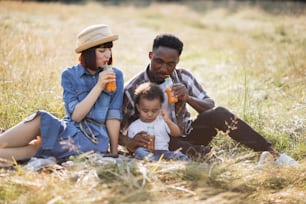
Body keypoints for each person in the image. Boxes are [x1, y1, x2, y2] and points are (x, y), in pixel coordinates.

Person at [119, 33, 283, 161]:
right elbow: (117, 129)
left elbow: (209, 105)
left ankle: (272, 153)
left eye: (170, 64)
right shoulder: (133, 89)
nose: (164, 68)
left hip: (189, 132)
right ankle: (203, 155)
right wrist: (129, 143)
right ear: (150, 56)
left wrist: (188, 98)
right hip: (160, 140)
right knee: (171, 142)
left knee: (219, 112)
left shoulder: (183, 77)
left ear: (177, 61)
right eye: (159, 61)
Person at [0, 24, 123, 165]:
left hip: (91, 138)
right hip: (68, 128)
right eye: (102, 50)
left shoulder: (116, 75)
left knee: (36, 147)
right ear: (88, 52)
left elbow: (113, 116)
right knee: (41, 119)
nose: (108, 54)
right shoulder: (70, 75)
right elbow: (76, 116)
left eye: (109, 49)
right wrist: (99, 86)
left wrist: (114, 152)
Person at [127, 82, 189, 161]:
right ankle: (153, 161)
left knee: (178, 154)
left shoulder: (162, 121)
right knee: (139, 152)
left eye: (154, 110)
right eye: (145, 111)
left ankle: (192, 164)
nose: (150, 114)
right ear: (138, 107)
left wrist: (168, 121)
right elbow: (130, 147)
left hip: (164, 152)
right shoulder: (134, 126)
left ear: (160, 107)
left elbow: (176, 133)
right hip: (146, 152)